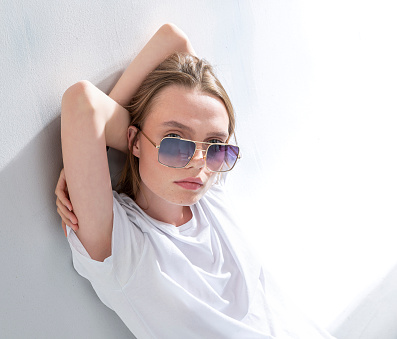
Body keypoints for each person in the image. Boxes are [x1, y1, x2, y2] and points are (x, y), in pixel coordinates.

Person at [56, 24, 335, 339]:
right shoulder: (123, 247)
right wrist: (94, 148)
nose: (199, 164)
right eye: (176, 141)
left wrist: (133, 142)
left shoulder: (211, 196)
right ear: (132, 141)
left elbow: (174, 40)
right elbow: (83, 103)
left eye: (216, 147)